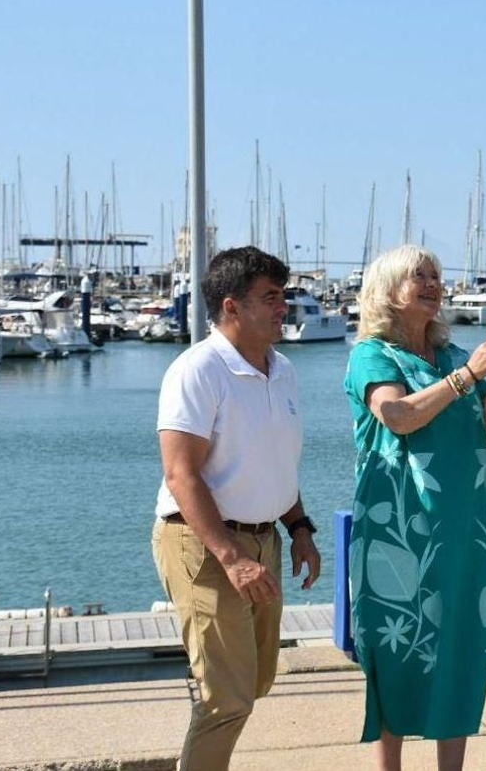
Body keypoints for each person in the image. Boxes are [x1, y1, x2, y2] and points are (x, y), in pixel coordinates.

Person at [344, 245, 486, 771]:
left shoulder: (449, 354)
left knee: (464, 642)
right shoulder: (372, 354)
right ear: (386, 290)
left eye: (435, 275)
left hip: (467, 523)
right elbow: (397, 414)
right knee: (397, 650)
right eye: (417, 275)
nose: (431, 282)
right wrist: (469, 375)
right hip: (400, 526)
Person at [153, 246, 321, 771]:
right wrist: (230, 557)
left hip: (263, 540)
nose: (283, 308)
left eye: (283, 296)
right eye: (270, 298)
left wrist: (299, 529)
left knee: (253, 681)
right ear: (232, 306)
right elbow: (181, 474)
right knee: (227, 696)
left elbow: (274, 462)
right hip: (204, 544)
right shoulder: (197, 370)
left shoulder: (283, 369)